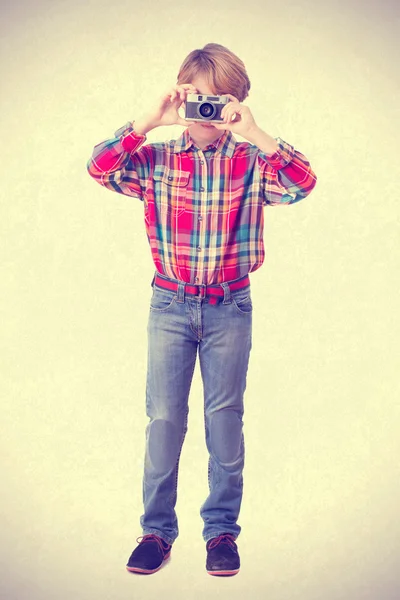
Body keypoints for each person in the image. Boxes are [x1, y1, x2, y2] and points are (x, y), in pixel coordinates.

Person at [86, 42, 317, 577]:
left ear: (237, 103)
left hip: (229, 306)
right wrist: (151, 118)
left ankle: (221, 533)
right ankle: (155, 530)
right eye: (199, 100)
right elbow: (98, 168)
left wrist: (255, 131)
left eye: (222, 101)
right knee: (164, 419)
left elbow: (303, 183)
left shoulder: (251, 161)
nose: (208, 113)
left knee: (224, 422)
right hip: (169, 303)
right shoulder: (157, 157)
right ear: (182, 97)